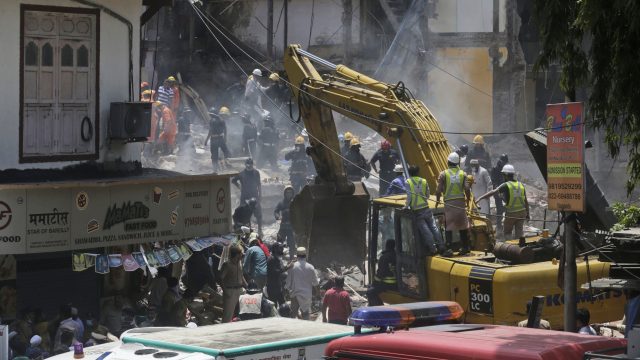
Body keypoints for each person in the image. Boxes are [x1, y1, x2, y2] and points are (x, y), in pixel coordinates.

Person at [475, 164, 530, 241]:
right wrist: (528, 214)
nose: (503, 176)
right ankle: (520, 248)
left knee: (507, 233)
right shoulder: (520, 185)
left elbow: (493, 192)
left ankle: (510, 249)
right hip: (522, 213)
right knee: (519, 233)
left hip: (511, 213)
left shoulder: (506, 185)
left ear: (506, 175)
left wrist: (480, 198)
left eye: (503, 174)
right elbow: (526, 201)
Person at [405, 165, 450, 256]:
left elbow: (409, 196)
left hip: (417, 211)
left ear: (409, 173)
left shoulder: (408, 182)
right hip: (426, 208)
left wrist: (406, 205)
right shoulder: (424, 181)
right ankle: (441, 246)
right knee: (434, 227)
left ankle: (433, 249)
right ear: (418, 172)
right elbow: (428, 195)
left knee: (426, 231)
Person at [436, 152, 472, 255]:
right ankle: (465, 247)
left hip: (449, 203)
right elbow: (467, 188)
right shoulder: (463, 174)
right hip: (460, 202)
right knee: (462, 224)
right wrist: (468, 199)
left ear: (448, 162)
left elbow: (438, 190)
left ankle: (448, 249)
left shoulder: (443, 174)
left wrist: (438, 200)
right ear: (457, 163)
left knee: (448, 225)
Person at [286, 247, 319, 320]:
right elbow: (316, 283)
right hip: (306, 295)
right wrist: (318, 294)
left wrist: (288, 290)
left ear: (297, 255)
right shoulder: (310, 267)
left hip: (295, 294)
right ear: (305, 255)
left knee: (292, 315)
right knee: (305, 315)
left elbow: (288, 282)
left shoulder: (293, 266)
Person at [232, 158, 263, 235]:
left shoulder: (256, 173)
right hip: (245, 197)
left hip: (254, 197)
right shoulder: (241, 174)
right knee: (244, 214)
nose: (249, 166)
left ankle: (259, 229)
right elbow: (233, 180)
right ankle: (246, 230)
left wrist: (260, 194)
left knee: (258, 213)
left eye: (250, 164)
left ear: (252, 164)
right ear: (245, 165)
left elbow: (259, 184)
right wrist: (239, 186)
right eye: (247, 164)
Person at [220, 245, 246, 323]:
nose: (242, 255)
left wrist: (247, 286)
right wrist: (225, 291)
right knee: (228, 315)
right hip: (230, 291)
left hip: (241, 290)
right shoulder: (227, 265)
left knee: (244, 312)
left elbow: (241, 276)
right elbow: (220, 278)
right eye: (241, 253)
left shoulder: (240, 263)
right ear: (237, 254)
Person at [366, 239, 397, 306]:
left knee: (370, 292)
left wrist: (374, 283)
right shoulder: (397, 256)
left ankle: (379, 308)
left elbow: (381, 273)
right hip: (397, 284)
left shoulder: (384, 257)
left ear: (386, 246)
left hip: (388, 285)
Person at [205, 106, 231, 172]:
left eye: (210, 114)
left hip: (214, 139)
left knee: (214, 155)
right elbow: (225, 129)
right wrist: (225, 137)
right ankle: (227, 163)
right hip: (221, 138)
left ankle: (215, 169)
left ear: (212, 114)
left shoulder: (212, 120)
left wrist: (206, 140)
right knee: (226, 151)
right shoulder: (221, 120)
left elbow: (210, 131)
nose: (210, 115)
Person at [266, 243, 291, 308]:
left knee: (283, 305)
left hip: (277, 286)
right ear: (275, 249)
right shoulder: (271, 259)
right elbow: (276, 272)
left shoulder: (276, 258)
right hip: (272, 287)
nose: (282, 249)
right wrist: (287, 267)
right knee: (274, 306)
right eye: (280, 248)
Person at [490, 154, 509, 232]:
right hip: (498, 191)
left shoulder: (505, 169)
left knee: (509, 205)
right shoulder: (495, 169)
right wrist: (498, 191)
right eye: (503, 162)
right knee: (499, 208)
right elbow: (494, 181)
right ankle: (499, 225)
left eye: (505, 162)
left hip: (505, 190)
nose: (504, 163)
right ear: (500, 161)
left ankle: (506, 222)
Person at [274, 186, 296, 250]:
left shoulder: (295, 202)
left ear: (292, 193)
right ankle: (278, 256)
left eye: (290, 192)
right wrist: (277, 216)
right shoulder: (281, 203)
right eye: (287, 192)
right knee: (279, 242)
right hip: (283, 225)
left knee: (292, 244)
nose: (289, 194)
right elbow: (276, 211)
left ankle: (292, 257)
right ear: (285, 193)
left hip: (292, 226)